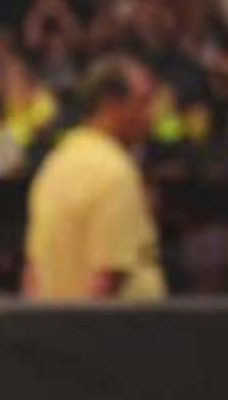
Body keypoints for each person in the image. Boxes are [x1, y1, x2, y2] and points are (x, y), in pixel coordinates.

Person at [23, 54, 167, 299]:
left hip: (55, 317)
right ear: (111, 104)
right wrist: (82, 325)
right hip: (116, 323)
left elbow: (33, 273)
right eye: (143, 103)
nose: (152, 115)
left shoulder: (56, 163)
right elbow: (107, 276)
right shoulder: (115, 171)